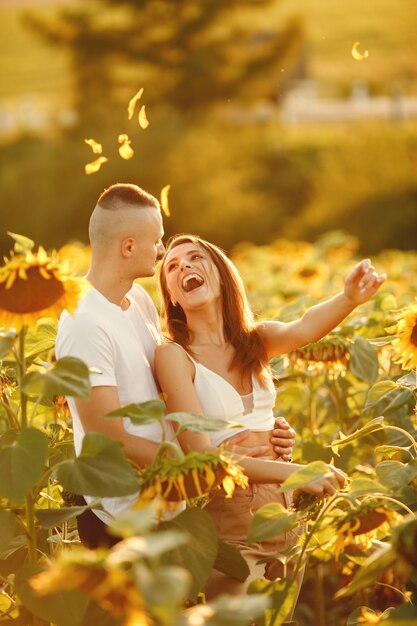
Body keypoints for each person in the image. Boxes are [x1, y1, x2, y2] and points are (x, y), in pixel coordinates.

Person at [154, 234, 386, 611]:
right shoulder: (174, 356)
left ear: (220, 273)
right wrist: (295, 474)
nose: (185, 267)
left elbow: (305, 327)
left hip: (282, 512)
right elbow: (203, 456)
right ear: (172, 296)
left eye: (196, 258)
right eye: (173, 267)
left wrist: (349, 298)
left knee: (280, 619)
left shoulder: (255, 341)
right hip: (228, 515)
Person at [55, 183, 294, 548]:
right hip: (120, 520)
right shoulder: (85, 323)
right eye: (157, 240)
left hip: (165, 506)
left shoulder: (136, 300)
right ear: (129, 247)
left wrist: (247, 434)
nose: (163, 250)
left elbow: (177, 386)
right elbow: (110, 439)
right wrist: (209, 461)